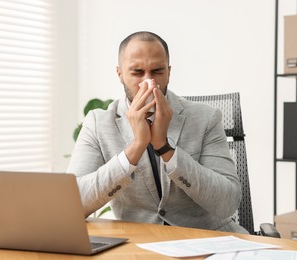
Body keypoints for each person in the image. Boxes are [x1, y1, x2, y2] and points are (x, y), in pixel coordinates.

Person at [67, 31, 248, 233]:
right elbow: (73, 204)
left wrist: (165, 147)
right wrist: (135, 148)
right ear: (120, 74)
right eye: (137, 72)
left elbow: (227, 202)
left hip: (207, 238)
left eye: (157, 71)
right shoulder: (98, 123)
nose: (149, 82)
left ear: (169, 72)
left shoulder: (206, 118)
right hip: (140, 243)